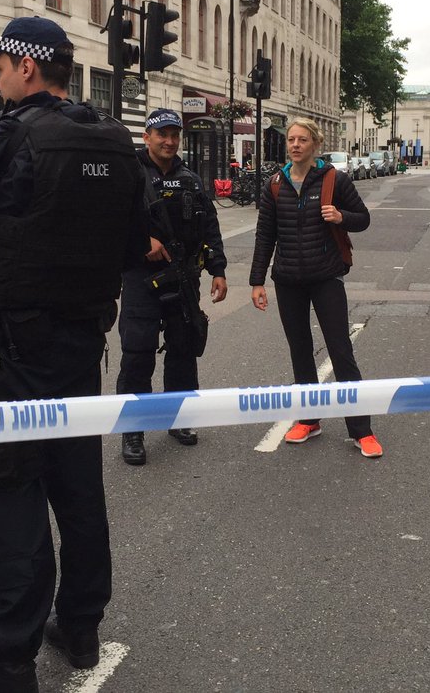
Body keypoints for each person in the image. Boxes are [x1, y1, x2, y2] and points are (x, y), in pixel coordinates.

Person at [0, 17, 147, 693]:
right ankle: (80, 626)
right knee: (77, 484)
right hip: (82, 341)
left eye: (0, 65)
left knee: (13, 486)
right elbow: (135, 243)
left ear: (28, 67)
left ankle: (10, 659)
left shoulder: (2, 138)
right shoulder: (113, 141)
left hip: (11, 350)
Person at [248, 117, 382, 458]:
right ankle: (309, 419)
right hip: (288, 279)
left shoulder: (334, 180)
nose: (295, 145)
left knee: (340, 350)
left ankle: (361, 429)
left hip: (325, 277)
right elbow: (265, 235)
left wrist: (341, 217)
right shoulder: (275, 184)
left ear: (314, 145)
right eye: (291, 139)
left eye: (302, 140)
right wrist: (256, 281)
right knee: (300, 350)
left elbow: (363, 218)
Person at [118, 108, 228, 466]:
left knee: (183, 351)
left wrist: (218, 270)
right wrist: (141, 240)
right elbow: (108, 221)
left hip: (183, 277)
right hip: (141, 279)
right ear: (146, 137)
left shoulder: (191, 181)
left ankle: (179, 418)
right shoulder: (129, 176)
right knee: (138, 353)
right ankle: (133, 430)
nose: (168, 141)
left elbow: (209, 228)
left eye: (174, 135)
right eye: (161, 134)